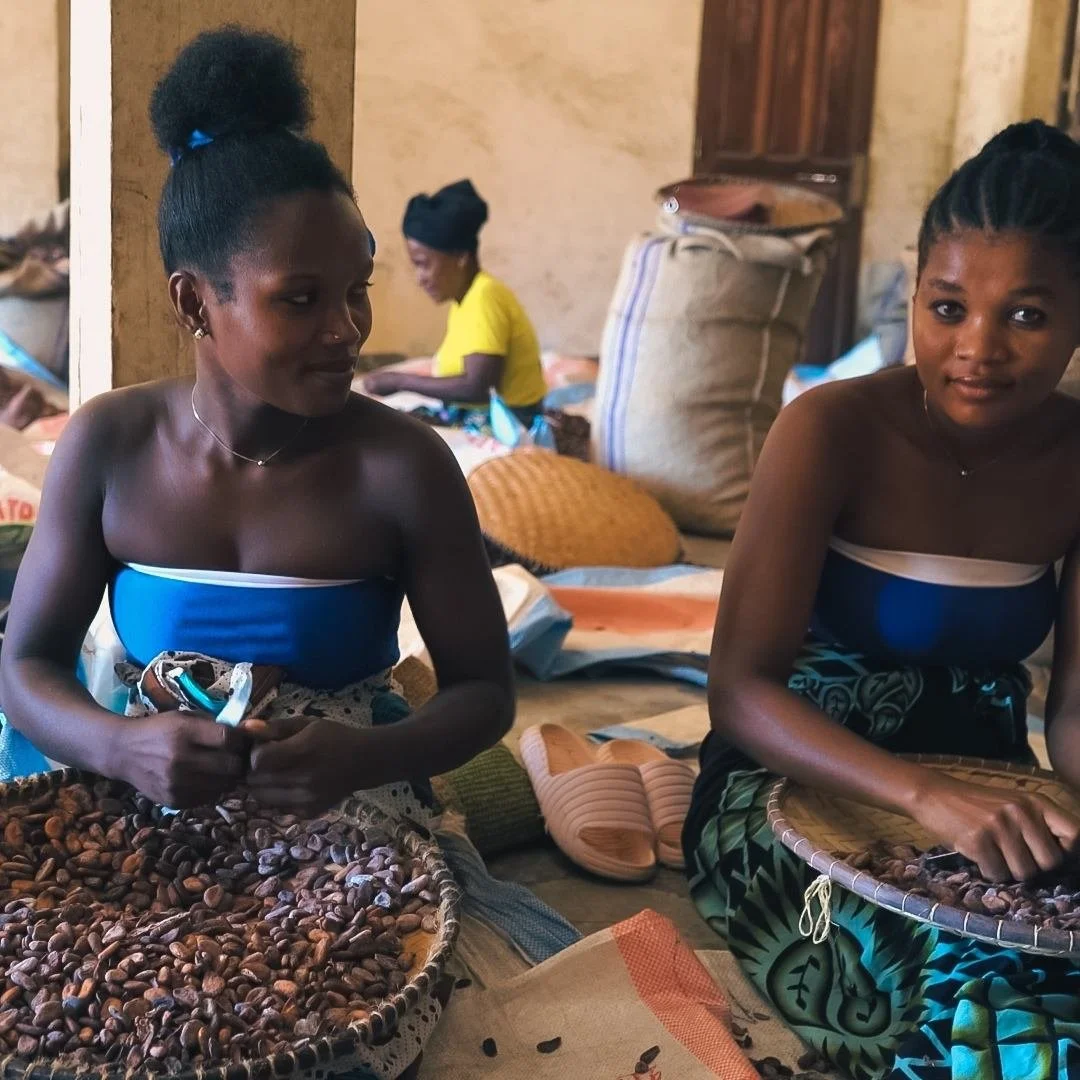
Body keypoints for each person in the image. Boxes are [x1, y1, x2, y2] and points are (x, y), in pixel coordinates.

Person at [0, 27, 514, 818]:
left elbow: (485, 692)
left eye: (357, 289)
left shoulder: (402, 466)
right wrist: (122, 746)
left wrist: (366, 756)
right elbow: (26, 667)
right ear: (194, 302)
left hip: (352, 829)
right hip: (148, 813)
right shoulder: (111, 445)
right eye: (300, 299)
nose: (347, 328)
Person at [685, 120, 1080, 1080]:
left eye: (1026, 316)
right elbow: (739, 691)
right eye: (948, 307)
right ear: (915, 293)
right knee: (968, 994)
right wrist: (924, 796)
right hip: (787, 782)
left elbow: (1072, 713)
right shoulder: (832, 429)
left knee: (1051, 951)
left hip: (992, 784)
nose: (977, 348)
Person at [362, 180, 547, 422]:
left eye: (423, 264)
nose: (420, 278)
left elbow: (477, 387)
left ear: (460, 257)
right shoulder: (465, 300)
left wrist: (400, 381)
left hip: (511, 423)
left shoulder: (485, 297)